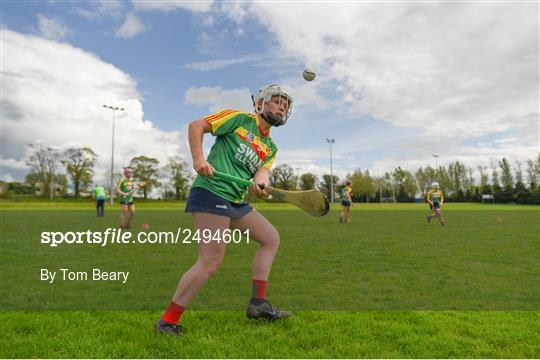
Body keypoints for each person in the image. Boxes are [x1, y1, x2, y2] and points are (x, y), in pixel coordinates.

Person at [155, 84, 293, 335]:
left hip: (236, 200)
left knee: (270, 239)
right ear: (260, 103)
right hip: (211, 192)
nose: (281, 108)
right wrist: (198, 158)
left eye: (284, 106)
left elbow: (263, 173)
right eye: (277, 102)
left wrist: (261, 184)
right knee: (210, 260)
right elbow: (197, 126)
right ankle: (167, 321)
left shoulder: (271, 148)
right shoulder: (239, 119)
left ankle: (258, 304)